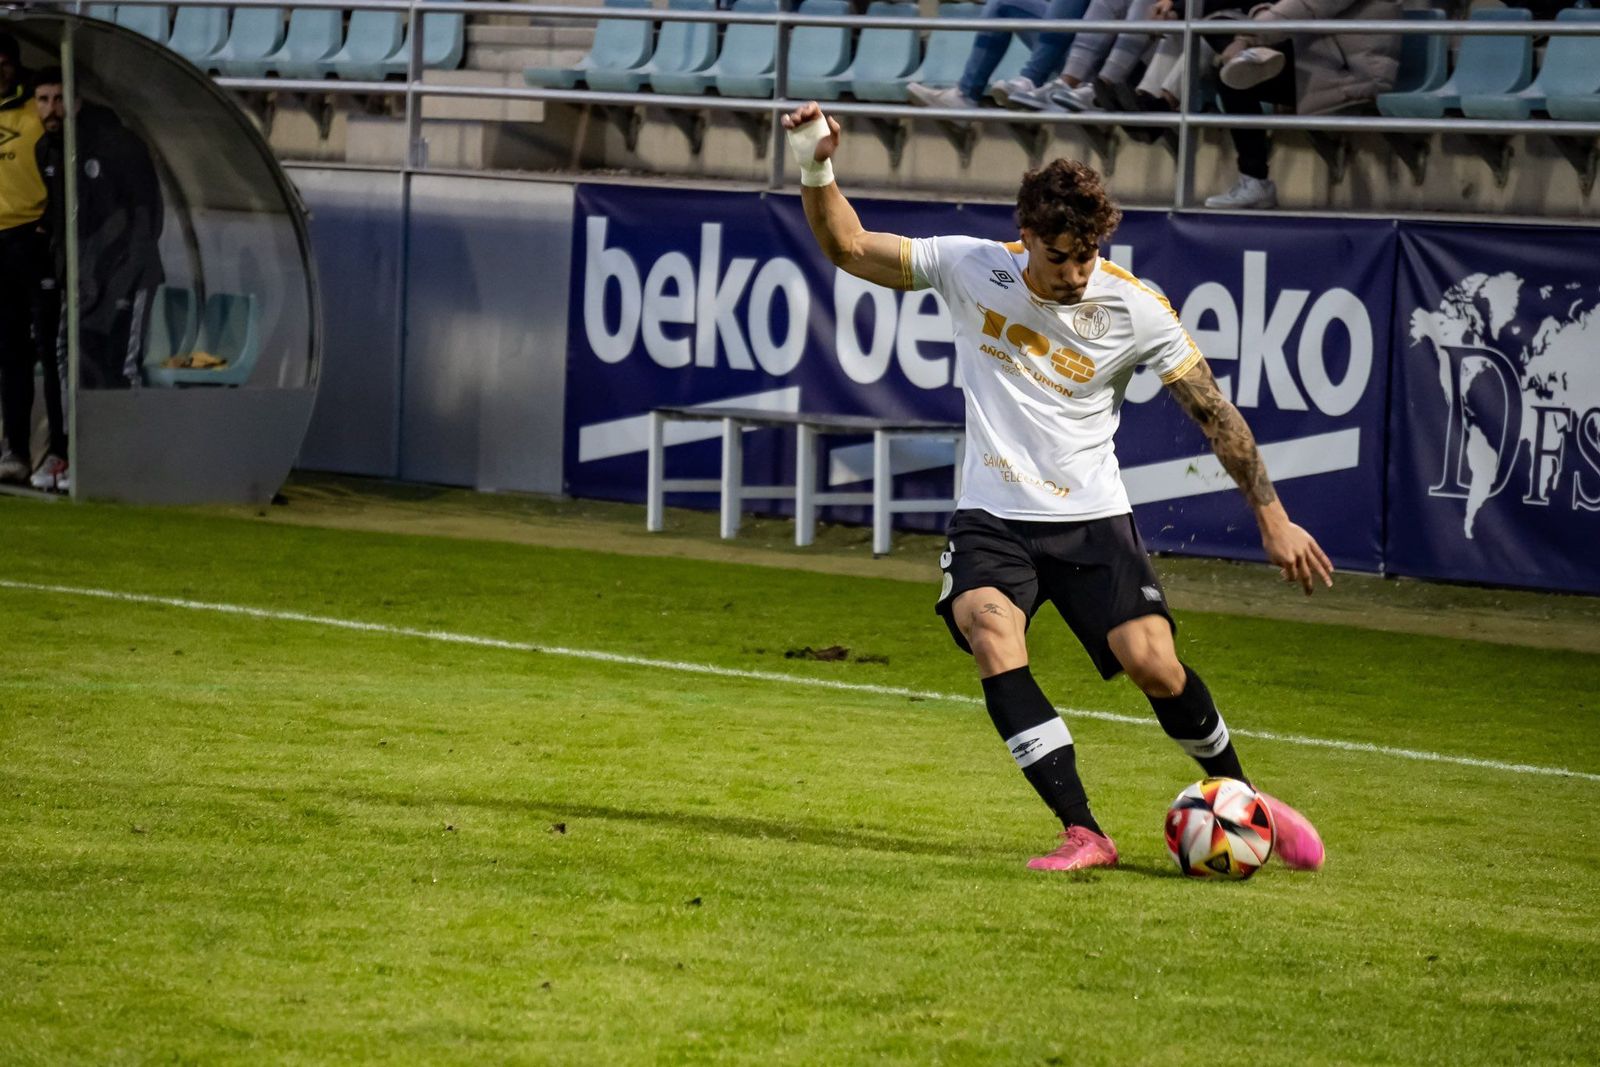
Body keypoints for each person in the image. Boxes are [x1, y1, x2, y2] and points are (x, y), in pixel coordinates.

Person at [781, 99, 1330, 872]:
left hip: (1094, 518)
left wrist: (1272, 516)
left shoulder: (1135, 307)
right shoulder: (974, 266)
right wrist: (815, 159)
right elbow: (847, 245)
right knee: (988, 630)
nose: (1076, 275)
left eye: (1088, 256)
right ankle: (1085, 830)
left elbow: (1214, 412)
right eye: (1061, 257)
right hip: (993, 517)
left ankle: (1246, 799)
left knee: (1153, 663)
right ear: (1026, 236)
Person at [33, 67, 165, 391]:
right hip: (81, 278)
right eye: (43, 100)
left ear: (77, 103)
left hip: (124, 276)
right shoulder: (49, 148)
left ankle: (125, 439)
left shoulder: (117, 145)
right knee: (70, 356)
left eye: (59, 99)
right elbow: (63, 213)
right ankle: (75, 436)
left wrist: (123, 275)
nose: (51, 109)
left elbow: (147, 216)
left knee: (120, 363)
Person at [1202, 0, 1400, 209]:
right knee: (1227, 52)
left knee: (1236, 72)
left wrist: (1247, 37)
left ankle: (1254, 179)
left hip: (1351, 73)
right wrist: (1262, 10)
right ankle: (1254, 183)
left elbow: (1307, 5)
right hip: (1317, 61)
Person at [0, 34, 55, 487]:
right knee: (8, 351)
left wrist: (47, 225)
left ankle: (26, 451)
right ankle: (13, 447)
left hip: (26, 240)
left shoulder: (36, 112)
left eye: (3, 62)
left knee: (28, 351)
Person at [907, 0, 1090, 110]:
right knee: (1003, 2)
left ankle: (1031, 79)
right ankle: (966, 94)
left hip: (1097, 62)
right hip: (1077, 45)